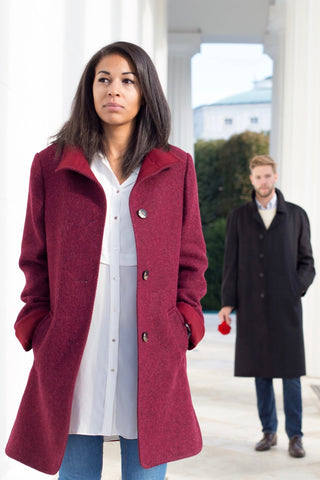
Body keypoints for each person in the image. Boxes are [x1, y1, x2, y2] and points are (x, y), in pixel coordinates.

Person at [5, 41, 208, 479]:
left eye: (127, 80)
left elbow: (192, 258)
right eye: (104, 79)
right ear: (89, 90)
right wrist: (39, 325)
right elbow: (34, 257)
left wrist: (185, 322)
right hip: (75, 349)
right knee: (76, 468)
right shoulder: (51, 166)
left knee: (147, 470)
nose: (114, 90)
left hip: (152, 347)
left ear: (144, 93)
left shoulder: (177, 167)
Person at [218, 154, 315, 459]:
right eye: (258, 177)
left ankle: (295, 436)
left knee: (290, 375)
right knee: (261, 373)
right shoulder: (239, 217)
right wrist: (227, 302)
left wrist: (295, 287)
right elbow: (230, 263)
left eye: (267, 176)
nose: (263, 181)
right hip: (252, 306)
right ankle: (268, 432)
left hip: (286, 308)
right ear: (251, 179)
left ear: (275, 177)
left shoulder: (297, 216)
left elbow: (307, 262)